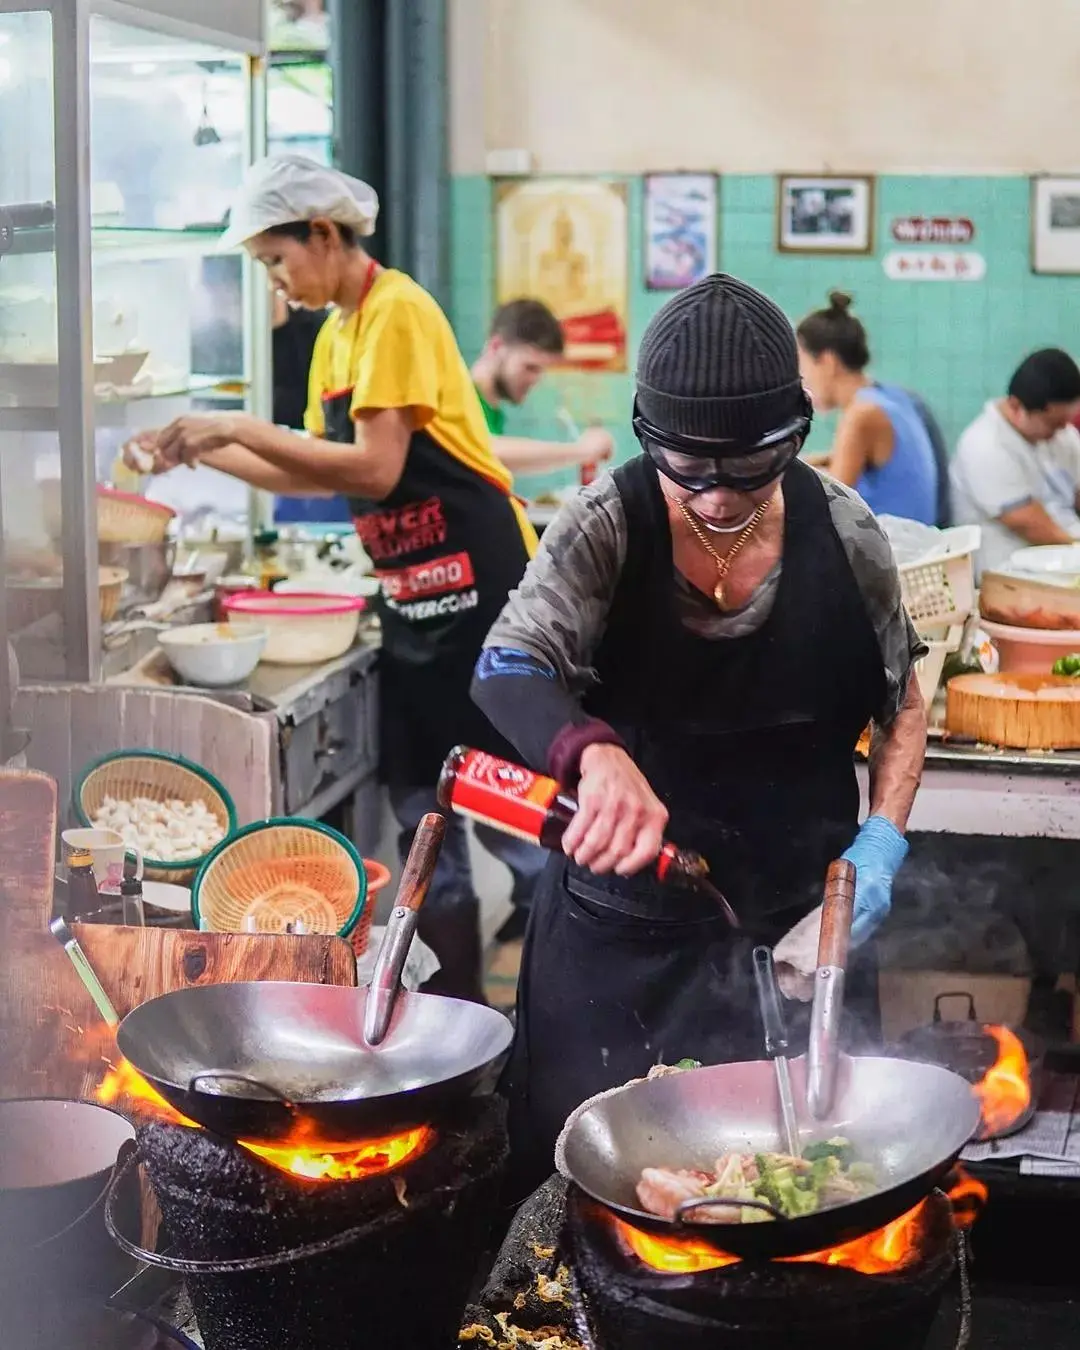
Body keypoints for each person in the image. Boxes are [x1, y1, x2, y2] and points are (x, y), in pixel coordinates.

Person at [470, 274, 928, 1197]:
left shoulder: (847, 533)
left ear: (794, 435)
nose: (716, 496)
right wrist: (592, 755)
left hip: (798, 937)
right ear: (649, 437)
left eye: (748, 468)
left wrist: (881, 841)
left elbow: (904, 704)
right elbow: (508, 667)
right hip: (620, 945)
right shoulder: (607, 522)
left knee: (800, 1195)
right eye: (688, 466)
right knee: (586, 1212)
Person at [125, 154, 542, 1003]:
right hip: (415, 608)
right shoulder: (334, 337)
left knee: (520, 817)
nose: (278, 281)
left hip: (482, 601)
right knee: (425, 815)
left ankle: (563, 1006)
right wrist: (210, 450)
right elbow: (320, 471)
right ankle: (461, 1019)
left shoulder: (396, 311)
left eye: (278, 260)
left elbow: (379, 469)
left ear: (322, 234)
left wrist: (236, 422)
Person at [796, 292, 942, 526]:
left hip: (896, 552)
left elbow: (828, 502)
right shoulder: (893, 397)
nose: (801, 379)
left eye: (802, 365)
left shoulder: (862, 415)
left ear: (828, 362)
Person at [951, 348, 1080, 576]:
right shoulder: (984, 445)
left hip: (1065, 557)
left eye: (1065, 422)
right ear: (1015, 406)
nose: (1061, 430)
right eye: (1053, 423)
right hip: (1010, 571)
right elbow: (1031, 525)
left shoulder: (1062, 436)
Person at [471, 298, 613, 476]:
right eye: (530, 367)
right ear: (496, 346)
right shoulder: (459, 397)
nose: (535, 379)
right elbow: (485, 451)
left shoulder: (493, 413)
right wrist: (583, 450)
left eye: (540, 370)